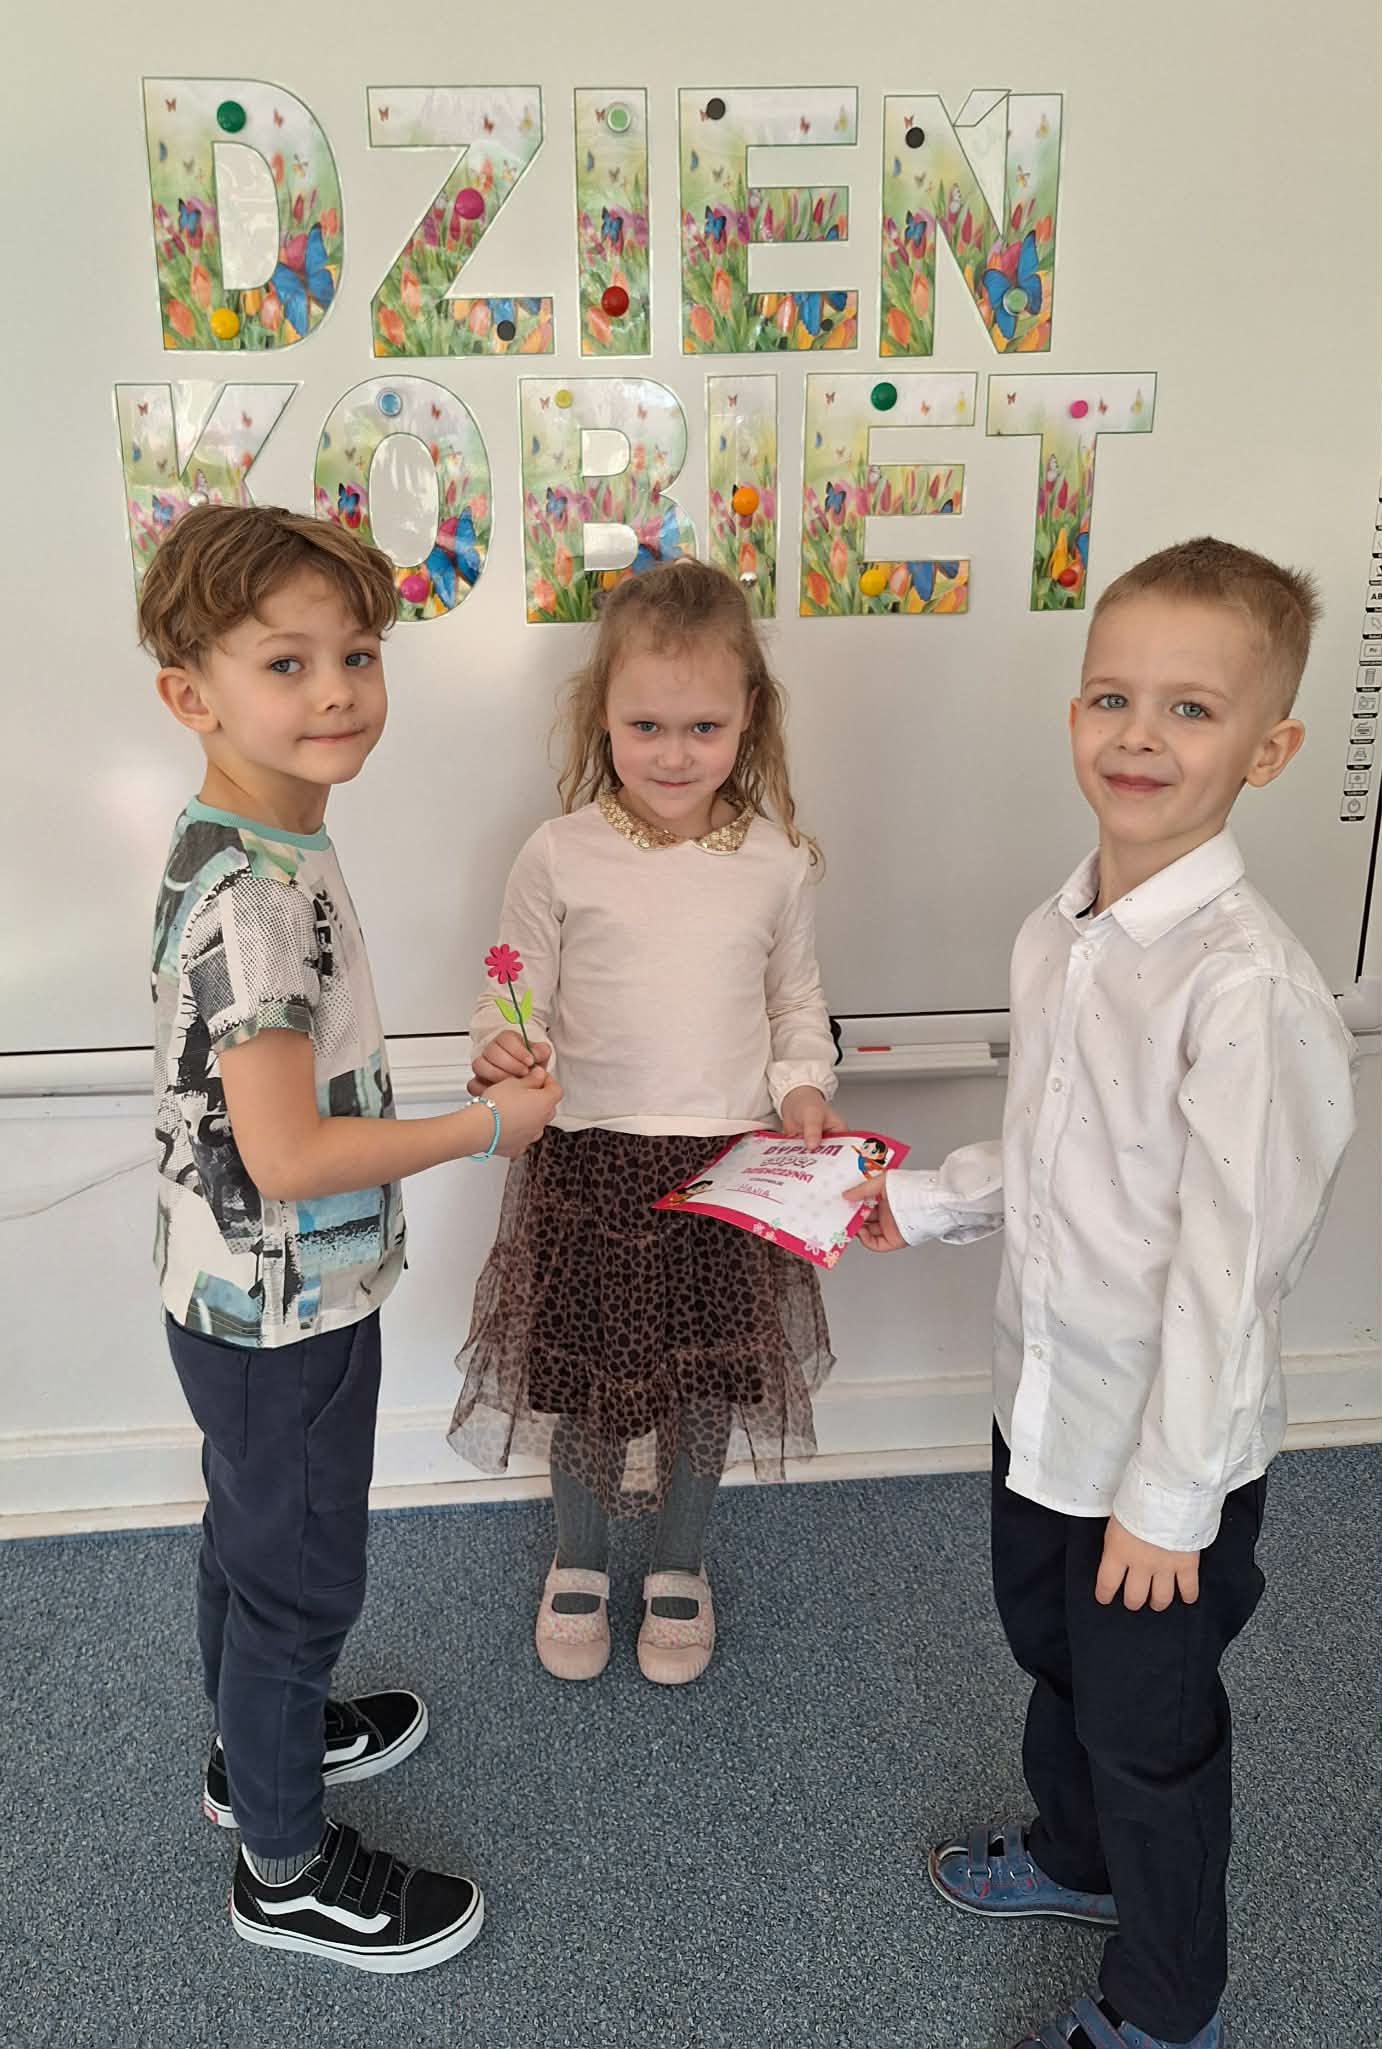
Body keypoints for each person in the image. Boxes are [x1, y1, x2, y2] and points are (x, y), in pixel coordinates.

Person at [849, 538, 1356, 2049]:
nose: (1138, 736)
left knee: (1150, 1731)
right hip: (1044, 1399)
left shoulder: (1244, 987)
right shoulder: (1060, 930)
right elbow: (1059, 1149)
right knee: (1051, 1650)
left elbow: (1227, 1270)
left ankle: (1164, 2002)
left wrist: (1169, 1504)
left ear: (1266, 749)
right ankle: (1073, 1858)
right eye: (1110, 697)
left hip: (1160, 1453)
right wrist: (927, 1203)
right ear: (1073, 712)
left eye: (1190, 709)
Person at [142, 504, 560, 1971]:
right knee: (301, 1576)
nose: (336, 691)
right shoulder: (256, 897)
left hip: (237, 1291)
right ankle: (283, 1865)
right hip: (284, 1309)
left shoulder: (255, 837)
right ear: (190, 695)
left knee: (252, 1535)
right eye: (286, 662)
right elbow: (290, 1155)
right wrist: (482, 1130)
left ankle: (248, 1748)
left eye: (358, 654)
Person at [451, 558, 840, 1685]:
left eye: (703, 726)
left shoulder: (775, 862)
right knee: (587, 1378)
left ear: (749, 715)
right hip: (588, 1162)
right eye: (647, 727)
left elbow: (795, 1002)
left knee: (705, 1383)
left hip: (727, 1164)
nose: (674, 753)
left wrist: (802, 1085)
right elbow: (512, 984)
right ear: (602, 716)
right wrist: (504, 1040)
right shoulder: (558, 852)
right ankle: (578, 1554)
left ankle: (679, 1560)